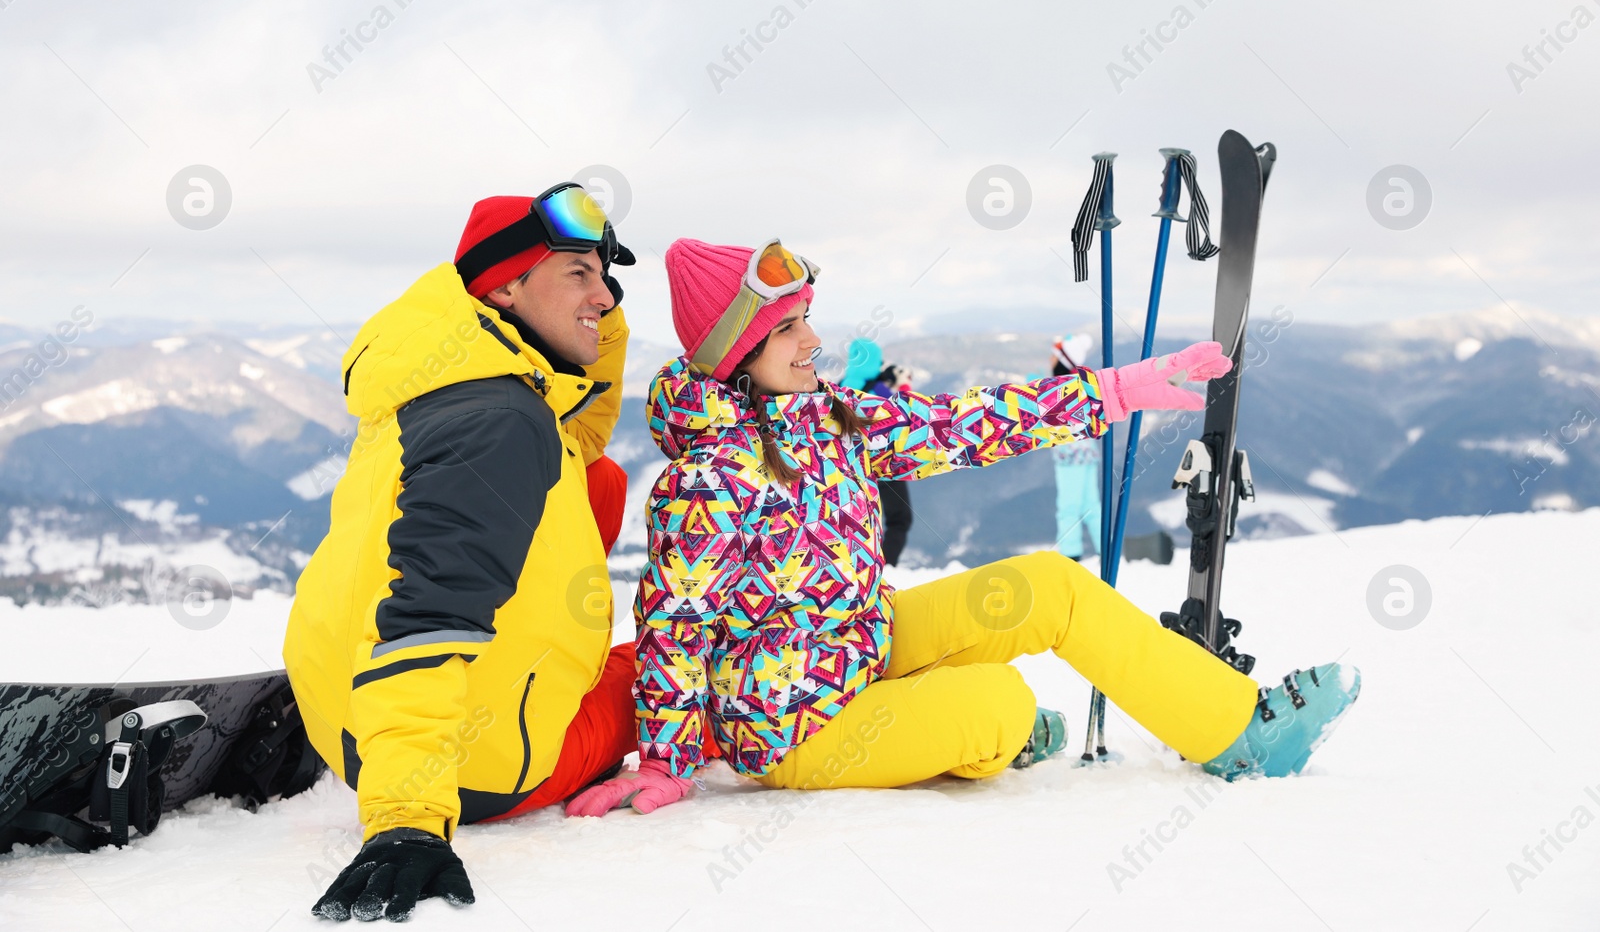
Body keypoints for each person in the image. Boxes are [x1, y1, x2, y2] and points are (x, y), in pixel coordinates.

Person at [566, 238, 1359, 819]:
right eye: (786, 329)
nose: (813, 339)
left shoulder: (828, 418)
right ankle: (990, 733)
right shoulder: (702, 483)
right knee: (999, 703)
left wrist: (1119, 390)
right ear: (736, 353)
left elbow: (962, 423)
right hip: (796, 729)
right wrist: (668, 761)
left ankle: (1237, 729)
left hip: (864, 645)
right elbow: (673, 628)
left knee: (1048, 585)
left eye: (807, 317)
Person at [285, 185, 642, 923]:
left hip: (343, 720)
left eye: (603, 277)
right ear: (506, 286)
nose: (603, 295)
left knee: (593, 477)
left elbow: (583, 437)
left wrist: (591, 314)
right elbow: (426, 616)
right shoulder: (500, 422)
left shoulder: (450, 362)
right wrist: (407, 816)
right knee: (694, 662)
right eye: (578, 272)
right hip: (478, 766)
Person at [838, 336, 915, 566]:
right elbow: (908, 411)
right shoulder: (878, 391)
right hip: (883, 463)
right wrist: (903, 384)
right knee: (899, 520)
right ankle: (886, 566)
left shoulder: (842, 385)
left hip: (848, 465)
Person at [1049, 334, 1102, 562]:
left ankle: (1070, 554)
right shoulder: (1079, 386)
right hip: (1087, 452)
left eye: (1053, 355)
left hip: (1070, 456)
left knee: (1068, 507)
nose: (1049, 360)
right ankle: (1107, 549)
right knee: (1091, 504)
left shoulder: (1058, 389)